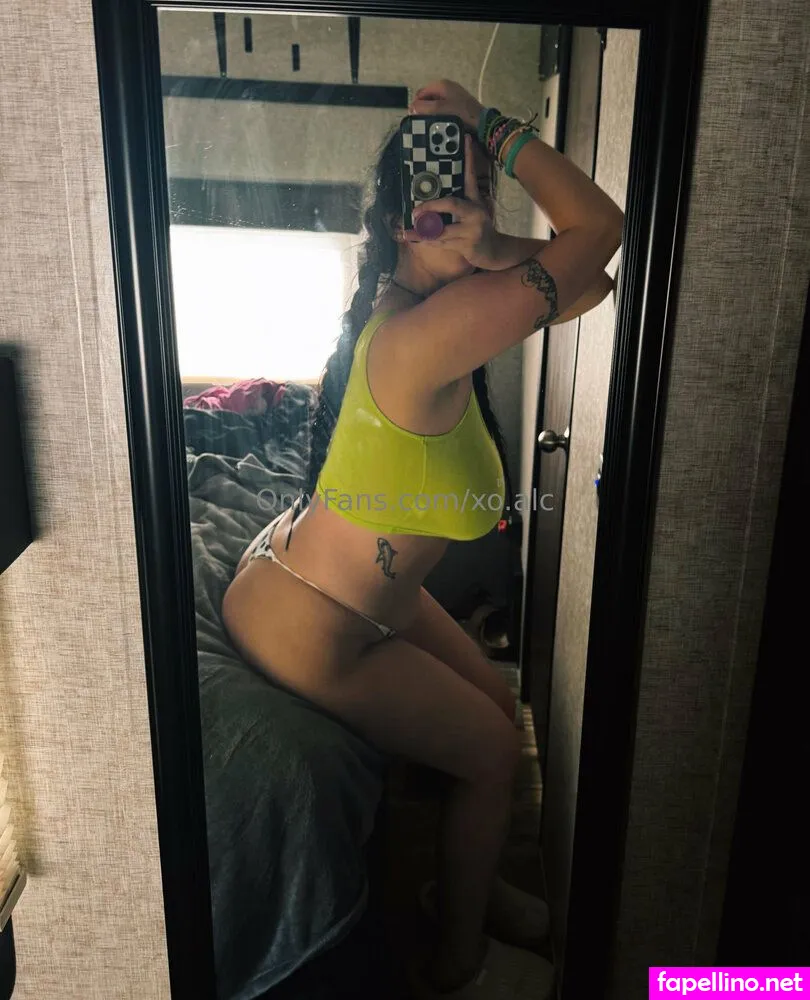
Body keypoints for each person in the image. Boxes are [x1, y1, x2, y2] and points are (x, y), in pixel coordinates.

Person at [222, 79, 623, 999]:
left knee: (496, 714)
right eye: (459, 191)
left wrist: (488, 244)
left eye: (486, 192)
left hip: (346, 589)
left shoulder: (438, 305)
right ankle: (458, 965)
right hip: (311, 623)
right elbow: (599, 232)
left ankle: (464, 884)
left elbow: (590, 282)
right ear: (409, 222)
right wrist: (487, 124)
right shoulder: (421, 337)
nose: (480, 208)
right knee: (490, 755)